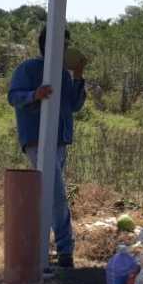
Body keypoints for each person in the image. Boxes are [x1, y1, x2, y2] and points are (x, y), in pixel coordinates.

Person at [8, 27, 87, 269]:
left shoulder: (63, 73)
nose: (66, 48)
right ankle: (65, 252)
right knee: (57, 196)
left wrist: (78, 75)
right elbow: (13, 97)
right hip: (37, 141)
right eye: (62, 44)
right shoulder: (28, 69)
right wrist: (35, 94)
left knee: (48, 195)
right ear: (48, 45)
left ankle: (34, 246)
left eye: (67, 44)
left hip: (60, 141)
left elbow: (75, 105)